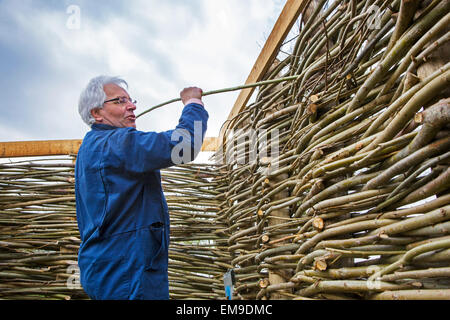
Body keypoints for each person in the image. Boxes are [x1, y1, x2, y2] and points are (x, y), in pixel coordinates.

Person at [75, 75, 208, 299]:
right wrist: (193, 104)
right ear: (96, 113)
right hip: (127, 271)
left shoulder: (91, 148)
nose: (132, 106)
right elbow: (184, 145)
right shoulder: (115, 144)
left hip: (111, 267)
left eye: (130, 99)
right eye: (119, 101)